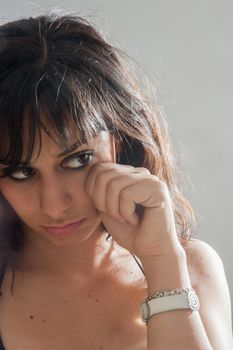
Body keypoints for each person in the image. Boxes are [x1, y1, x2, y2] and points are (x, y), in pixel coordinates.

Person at [0, 12, 232, 350]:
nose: (54, 204)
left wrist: (161, 262)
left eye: (77, 160)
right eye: (21, 172)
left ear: (118, 142)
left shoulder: (191, 268)